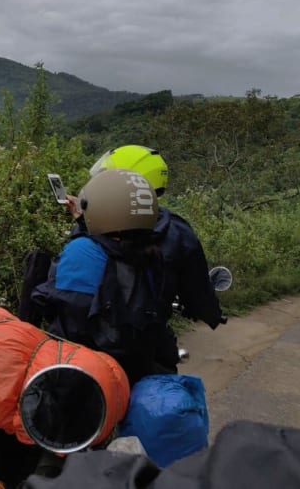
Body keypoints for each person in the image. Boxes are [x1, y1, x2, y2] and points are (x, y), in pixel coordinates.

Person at [31, 146, 226, 384]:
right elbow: (197, 291)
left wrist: (85, 221)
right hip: (143, 353)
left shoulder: (85, 245)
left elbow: (54, 300)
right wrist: (212, 314)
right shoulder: (175, 233)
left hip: (77, 360)